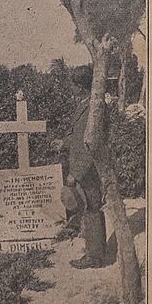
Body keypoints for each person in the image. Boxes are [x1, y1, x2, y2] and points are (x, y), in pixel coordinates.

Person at [55, 65, 107, 269]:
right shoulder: (83, 105)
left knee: (92, 209)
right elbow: (77, 137)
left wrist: (75, 173)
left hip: (88, 168)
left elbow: (92, 143)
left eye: (73, 85)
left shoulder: (95, 108)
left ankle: (95, 257)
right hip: (81, 166)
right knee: (88, 209)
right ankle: (95, 251)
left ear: (81, 86)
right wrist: (63, 142)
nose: (71, 88)